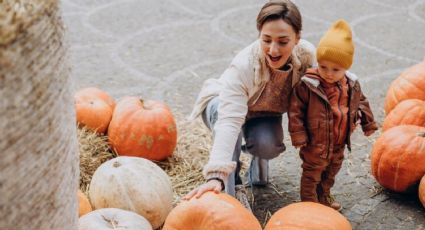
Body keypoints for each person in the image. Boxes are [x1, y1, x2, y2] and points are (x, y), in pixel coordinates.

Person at [183, 0, 315, 205]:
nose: (273, 49)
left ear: (297, 38)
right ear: (259, 35)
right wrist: (216, 174)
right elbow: (228, 121)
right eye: (266, 39)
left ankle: (257, 166)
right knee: (228, 124)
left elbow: (325, 84)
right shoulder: (244, 65)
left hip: (263, 111)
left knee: (269, 145)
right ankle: (230, 191)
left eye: (283, 41)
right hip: (222, 106)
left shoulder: (306, 56)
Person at [288, 19, 378, 211]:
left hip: (339, 141)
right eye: (323, 66)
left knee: (330, 172)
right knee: (312, 173)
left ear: (346, 67)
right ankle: (309, 203)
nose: (328, 73)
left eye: (335, 69)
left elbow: (361, 102)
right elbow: (295, 111)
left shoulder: (351, 84)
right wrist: (298, 135)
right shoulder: (308, 85)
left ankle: (324, 196)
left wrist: (368, 124)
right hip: (315, 141)